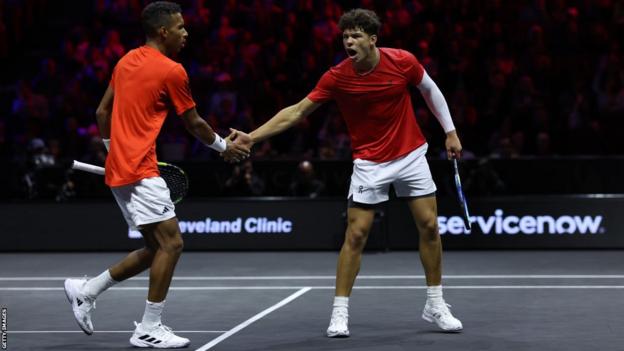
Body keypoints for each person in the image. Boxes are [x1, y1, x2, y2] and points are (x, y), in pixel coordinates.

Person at [228, 8, 463, 337]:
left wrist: (449, 132)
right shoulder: (336, 76)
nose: (348, 41)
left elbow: (430, 90)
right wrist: (252, 136)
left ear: (372, 39)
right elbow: (296, 112)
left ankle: (435, 303)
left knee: (429, 227)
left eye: (355, 36)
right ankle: (340, 311)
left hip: (411, 154)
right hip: (369, 162)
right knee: (356, 235)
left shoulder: (403, 61)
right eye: (345, 36)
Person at [63, 2, 249, 349]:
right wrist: (226, 147)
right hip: (139, 170)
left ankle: (86, 291)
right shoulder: (172, 71)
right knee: (172, 243)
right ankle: (149, 327)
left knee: (154, 247)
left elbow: (102, 111)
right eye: (180, 27)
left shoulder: (125, 61)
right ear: (163, 31)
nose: (185, 33)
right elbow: (193, 124)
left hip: (123, 168)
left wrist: (112, 148)